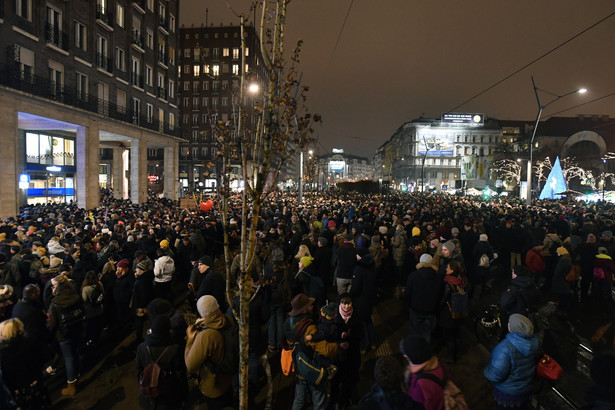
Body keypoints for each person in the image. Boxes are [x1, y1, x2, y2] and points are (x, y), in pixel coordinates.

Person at [283, 293, 340, 410]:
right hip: (312, 367)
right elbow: (324, 349)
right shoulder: (309, 328)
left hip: (299, 367)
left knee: (299, 399)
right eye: (309, 306)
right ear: (303, 310)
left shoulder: (288, 323)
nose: (312, 307)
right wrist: (337, 346)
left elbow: (285, 342)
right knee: (319, 399)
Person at [184, 295, 234, 409]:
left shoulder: (206, 336)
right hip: (228, 377)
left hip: (213, 387)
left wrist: (190, 341)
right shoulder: (228, 319)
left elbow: (191, 365)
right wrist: (206, 321)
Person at [484, 314, 539, 409]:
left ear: (511, 328)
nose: (508, 324)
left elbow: (495, 375)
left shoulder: (505, 348)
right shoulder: (533, 342)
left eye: (510, 323)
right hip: (525, 390)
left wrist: (486, 371)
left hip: (508, 395)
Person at [135, 315, 187, 409]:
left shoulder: (142, 347)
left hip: (153, 391)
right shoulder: (173, 349)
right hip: (170, 392)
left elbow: (138, 371)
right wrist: (183, 395)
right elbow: (180, 374)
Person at [0, 318, 51, 409]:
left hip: (21, 389)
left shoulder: (4, 353)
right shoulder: (31, 341)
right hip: (37, 380)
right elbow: (43, 357)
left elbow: (6, 375)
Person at [48, 280, 85, 396]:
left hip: (64, 335)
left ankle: (71, 384)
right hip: (78, 330)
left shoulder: (55, 304)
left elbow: (53, 324)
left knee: (68, 358)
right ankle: (77, 374)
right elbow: (83, 311)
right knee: (76, 353)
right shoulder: (77, 297)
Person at [401, 335, 446, 410]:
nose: (404, 355)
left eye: (408, 354)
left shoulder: (420, 384)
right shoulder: (440, 364)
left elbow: (417, 405)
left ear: (415, 357)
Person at [405, 253, 441, 343]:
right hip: (430, 310)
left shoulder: (413, 276)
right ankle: (425, 353)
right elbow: (439, 294)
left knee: (414, 332)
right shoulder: (437, 277)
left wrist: (408, 305)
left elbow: (408, 293)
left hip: (415, 308)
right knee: (427, 333)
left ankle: (414, 352)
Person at [350, 247, 378, 352]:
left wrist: (350, 295)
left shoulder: (358, 269)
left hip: (359, 300)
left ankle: (363, 346)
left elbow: (355, 287)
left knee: (361, 324)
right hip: (369, 300)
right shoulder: (373, 267)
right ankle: (373, 342)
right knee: (368, 320)